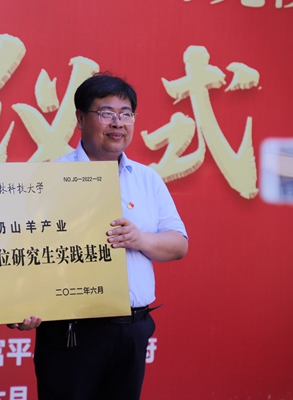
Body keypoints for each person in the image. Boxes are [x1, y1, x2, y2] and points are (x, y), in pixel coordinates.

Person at [32, 73, 189, 400]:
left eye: (126, 113)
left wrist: (140, 239)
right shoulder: (49, 178)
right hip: (73, 331)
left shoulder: (146, 178)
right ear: (80, 119)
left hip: (132, 329)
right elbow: (28, 250)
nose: (118, 123)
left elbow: (178, 244)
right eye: (106, 113)